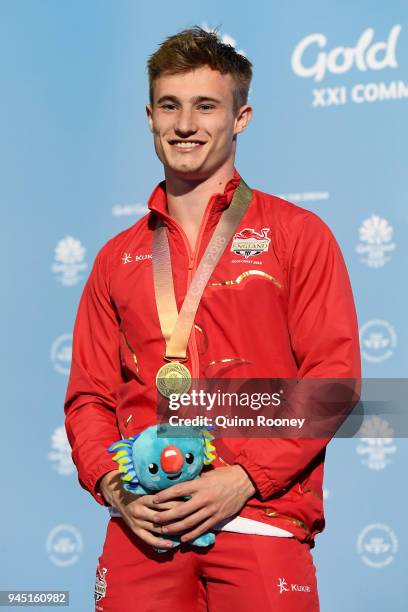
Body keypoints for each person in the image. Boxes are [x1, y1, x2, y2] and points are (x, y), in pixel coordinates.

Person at [64, 26, 361, 612]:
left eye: (206, 106)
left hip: (262, 520)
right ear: (149, 116)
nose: (185, 124)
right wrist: (117, 489)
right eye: (170, 106)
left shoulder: (297, 235)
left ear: (241, 117)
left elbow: (333, 382)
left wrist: (243, 478)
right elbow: (88, 399)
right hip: (143, 532)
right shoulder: (114, 258)